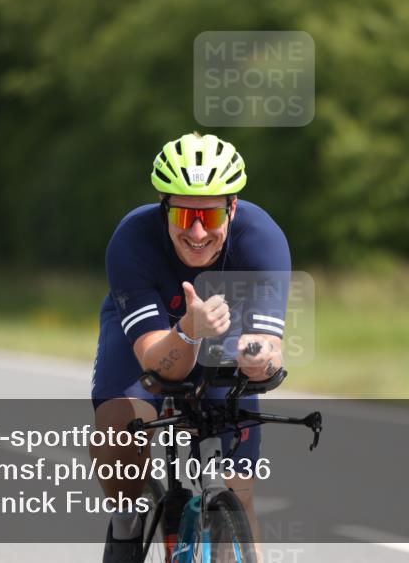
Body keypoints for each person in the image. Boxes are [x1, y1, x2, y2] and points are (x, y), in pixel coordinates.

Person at [91, 132, 290, 562]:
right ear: (164, 208)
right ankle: (127, 524)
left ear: (232, 208)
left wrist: (257, 356)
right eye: (183, 215)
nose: (197, 231)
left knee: (240, 488)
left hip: (223, 338)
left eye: (211, 215)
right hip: (153, 341)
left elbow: (270, 346)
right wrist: (187, 330)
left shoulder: (262, 241)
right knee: (115, 428)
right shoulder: (133, 240)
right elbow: (157, 366)